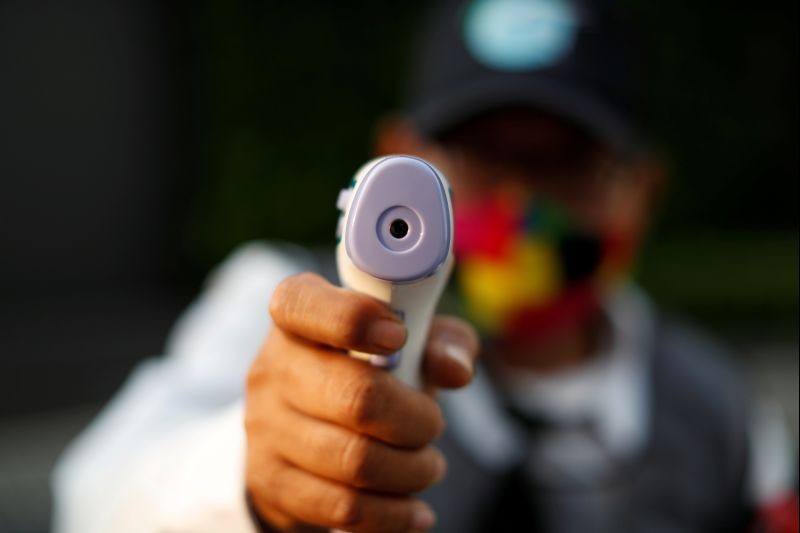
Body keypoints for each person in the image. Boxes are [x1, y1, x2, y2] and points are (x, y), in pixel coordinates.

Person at [52, 1, 798, 532]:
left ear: (643, 187)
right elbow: (92, 497)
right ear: (398, 160)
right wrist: (255, 470)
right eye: (479, 158)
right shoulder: (284, 306)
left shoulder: (719, 407)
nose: (519, 203)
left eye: (564, 162)